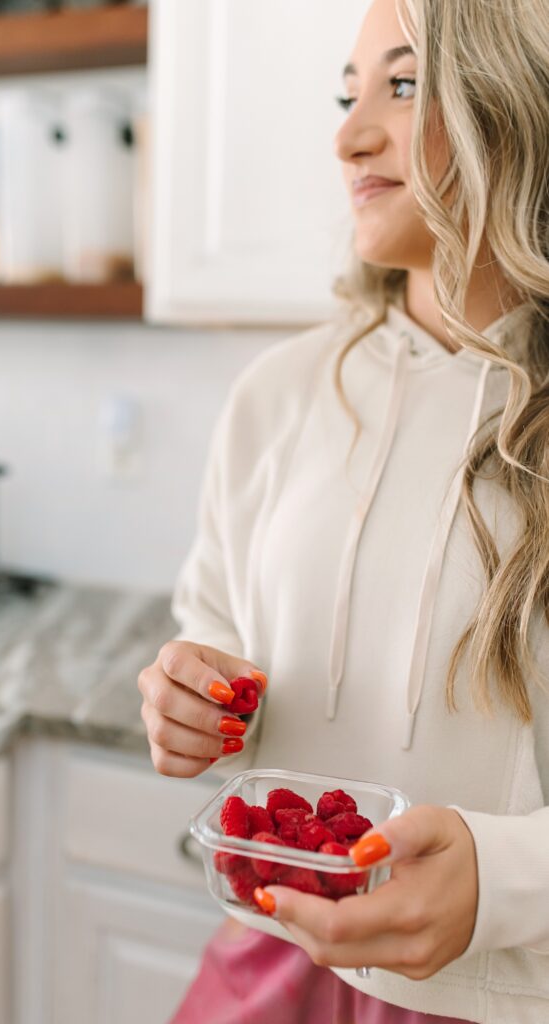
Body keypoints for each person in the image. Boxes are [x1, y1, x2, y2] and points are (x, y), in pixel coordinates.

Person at [137, 0, 549, 1020]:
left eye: (402, 86)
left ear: (517, 105)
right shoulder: (275, 393)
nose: (347, 134)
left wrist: (500, 881)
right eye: (346, 91)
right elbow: (217, 632)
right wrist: (189, 697)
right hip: (266, 958)